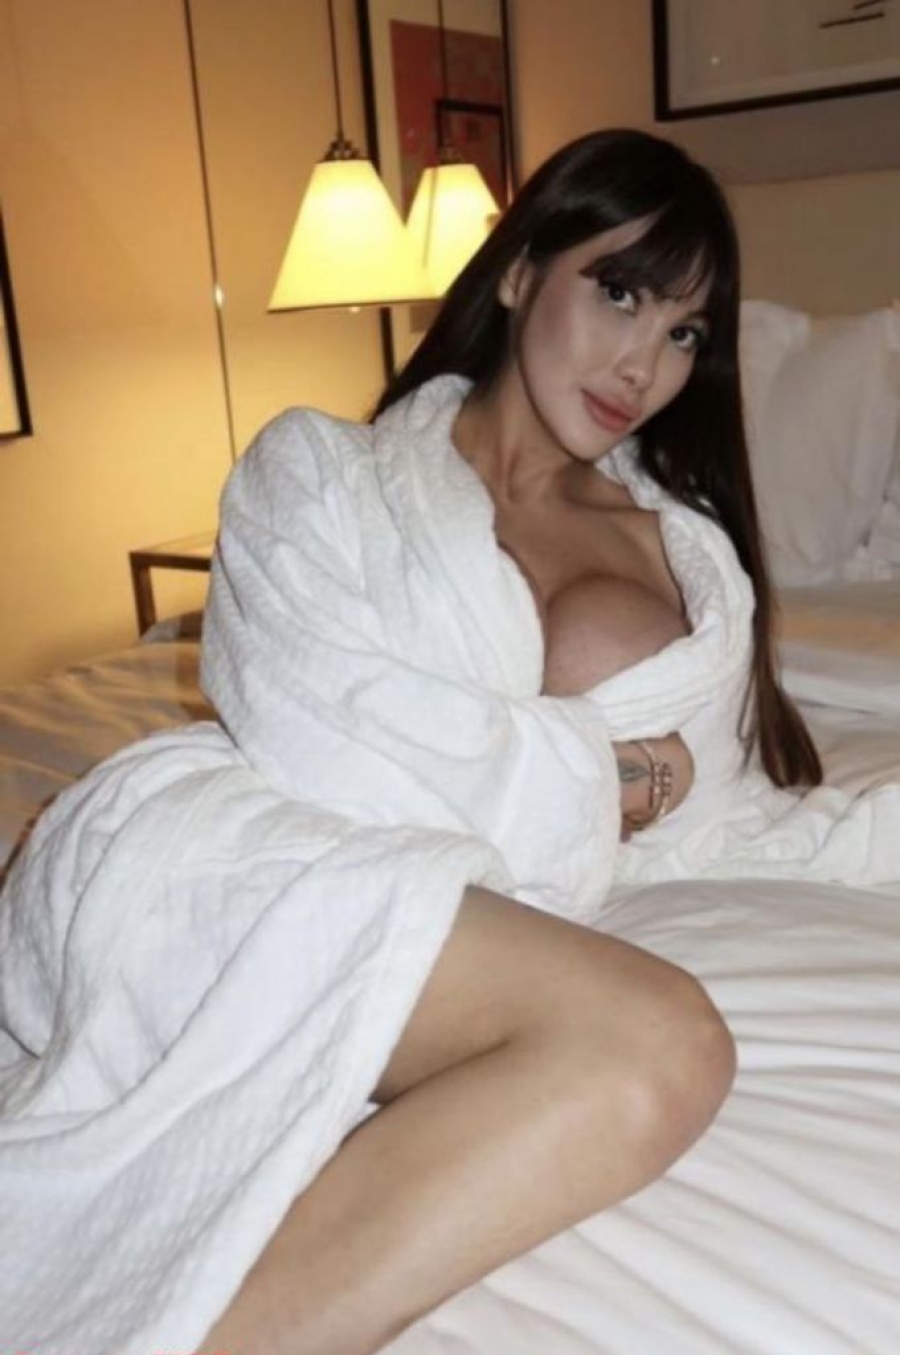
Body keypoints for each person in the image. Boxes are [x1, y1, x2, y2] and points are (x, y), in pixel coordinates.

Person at [0, 130, 820, 1355]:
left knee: (659, 1042)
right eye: (620, 292)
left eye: (686, 332)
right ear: (518, 271)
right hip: (217, 848)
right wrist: (615, 774)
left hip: (396, 886)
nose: (644, 364)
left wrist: (660, 787)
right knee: (659, 1038)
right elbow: (323, 737)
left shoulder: (687, 552)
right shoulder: (317, 471)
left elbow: (721, 801)